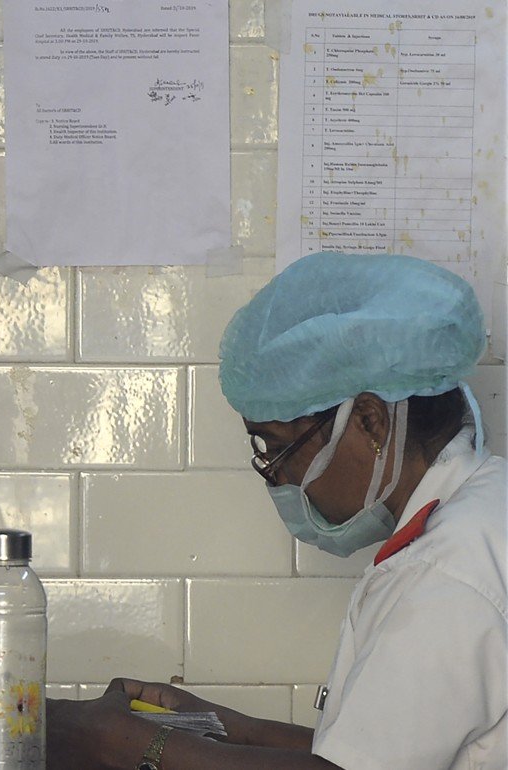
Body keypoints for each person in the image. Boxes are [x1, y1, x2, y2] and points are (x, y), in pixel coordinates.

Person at [47, 251, 506, 769]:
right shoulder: (482, 511)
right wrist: (226, 728)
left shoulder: (445, 574)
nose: (281, 478)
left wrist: (120, 744)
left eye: (277, 448)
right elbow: (375, 749)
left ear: (370, 421)